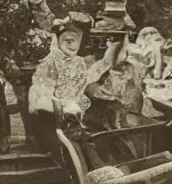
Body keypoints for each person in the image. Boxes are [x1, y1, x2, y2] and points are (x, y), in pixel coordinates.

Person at [25, 13, 110, 165]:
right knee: (68, 149)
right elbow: (42, 101)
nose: (73, 46)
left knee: (100, 140)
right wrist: (65, 107)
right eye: (67, 41)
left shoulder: (79, 63)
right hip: (48, 120)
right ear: (57, 41)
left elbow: (84, 83)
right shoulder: (49, 63)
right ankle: (76, 183)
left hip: (73, 119)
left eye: (76, 41)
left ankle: (102, 176)